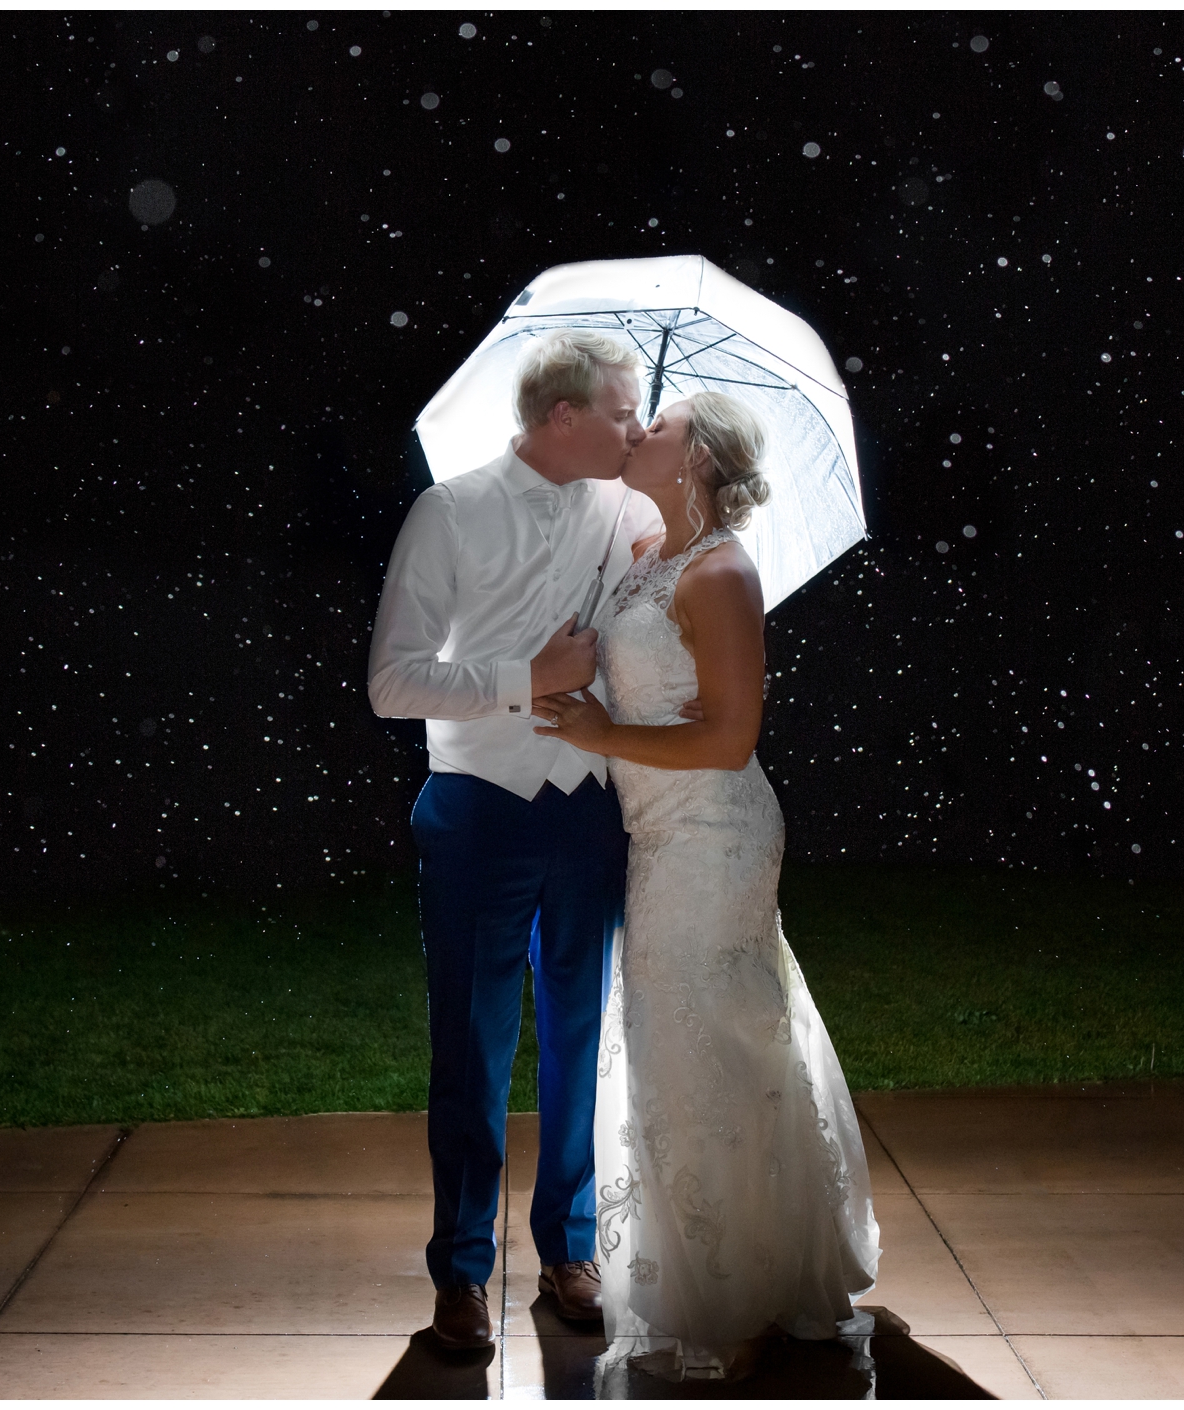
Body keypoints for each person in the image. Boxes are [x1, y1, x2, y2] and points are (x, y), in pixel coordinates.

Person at [530, 390, 881, 1385]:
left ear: (700, 462)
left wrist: (602, 734)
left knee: (708, 1046)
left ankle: (741, 1291)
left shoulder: (723, 572)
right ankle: (733, 1269)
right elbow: (645, 689)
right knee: (693, 1040)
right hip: (657, 836)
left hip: (715, 837)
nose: (637, 431)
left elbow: (730, 738)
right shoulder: (647, 561)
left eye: (661, 427)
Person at [366, 329, 669, 1350]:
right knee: (471, 1045)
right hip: (477, 810)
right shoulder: (447, 511)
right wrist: (522, 679)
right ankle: (459, 1272)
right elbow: (391, 682)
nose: (637, 427)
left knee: (583, 1040)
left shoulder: (636, 514)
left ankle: (570, 1248)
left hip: (591, 810)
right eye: (623, 411)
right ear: (562, 416)